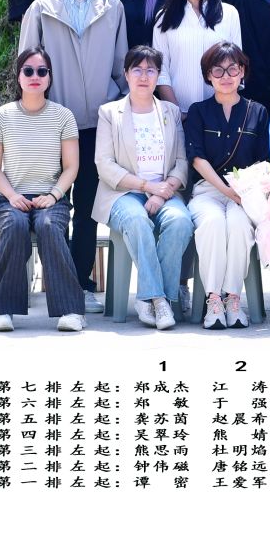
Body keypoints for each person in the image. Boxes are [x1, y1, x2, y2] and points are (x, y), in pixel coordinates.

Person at [17, 0, 130, 300]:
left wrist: (119, 109)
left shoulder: (113, 8)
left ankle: (80, 281)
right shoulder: (41, 8)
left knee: (88, 206)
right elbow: (27, 68)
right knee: (55, 204)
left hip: (99, 124)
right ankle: (57, 280)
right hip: (54, 123)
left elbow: (120, 67)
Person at [0, 47, 86, 332]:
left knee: (49, 226)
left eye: (42, 71)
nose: (35, 76)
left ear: (50, 77)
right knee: (15, 226)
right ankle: (2, 310)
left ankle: (71, 310)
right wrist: (12, 196)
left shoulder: (63, 116)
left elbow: (71, 167)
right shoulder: (1, 116)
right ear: (18, 76)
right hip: (9, 198)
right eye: (28, 71)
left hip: (51, 198)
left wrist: (53, 195)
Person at [93, 46, 193, 329]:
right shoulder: (110, 113)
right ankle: (159, 300)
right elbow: (104, 164)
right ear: (126, 74)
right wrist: (147, 186)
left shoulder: (171, 112)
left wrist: (162, 193)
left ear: (158, 75)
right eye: (137, 69)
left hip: (165, 192)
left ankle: (154, 298)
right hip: (123, 193)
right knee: (137, 220)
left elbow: (182, 161)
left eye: (151, 70)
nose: (144, 76)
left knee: (180, 222)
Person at [181, 42, 270, 330]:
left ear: (242, 71)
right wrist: (225, 190)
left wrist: (244, 191)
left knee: (239, 226)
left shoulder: (257, 111)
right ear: (208, 75)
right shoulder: (198, 111)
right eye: (217, 70)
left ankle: (233, 297)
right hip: (207, 191)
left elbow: (264, 161)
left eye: (233, 69)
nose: (226, 76)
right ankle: (213, 299)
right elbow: (196, 159)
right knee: (212, 224)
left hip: (245, 193)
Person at [150, 0, 243, 113]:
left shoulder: (229, 14)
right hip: (179, 114)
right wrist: (177, 113)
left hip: (221, 114)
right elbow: (161, 71)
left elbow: (236, 67)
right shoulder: (164, 17)